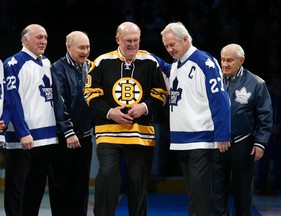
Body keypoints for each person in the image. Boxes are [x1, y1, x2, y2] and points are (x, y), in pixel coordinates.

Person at [84, 21, 168, 216]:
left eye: (136, 40)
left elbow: (161, 93)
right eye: (128, 40)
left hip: (141, 134)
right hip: (108, 133)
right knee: (107, 177)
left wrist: (145, 107)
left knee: (138, 185)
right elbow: (91, 94)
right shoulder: (102, 61)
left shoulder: (150, 61)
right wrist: (110, 112)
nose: (132, 44)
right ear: (117, 39)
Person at [152, 21, 231, 216]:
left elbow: (220, 99)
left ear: (185, 39)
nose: (170, 49)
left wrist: (222, 133)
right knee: (195, 194)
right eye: (166, 46)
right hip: (182, 141)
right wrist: (145, 54)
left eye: (173, 44)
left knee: (201, 197)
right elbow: (166, 68)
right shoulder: (178, 65)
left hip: (202, 141)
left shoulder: (204, 61)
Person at [3, 24, 58, 216]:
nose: (44, 41)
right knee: (17, 189)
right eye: (39, 37)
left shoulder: (47, 62)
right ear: (25, 39)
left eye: (45, 37)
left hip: (47, 138)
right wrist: (22, 132)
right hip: (24, 140)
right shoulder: (14, 63)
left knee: (35, 190)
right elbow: (11, 99)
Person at [213, 43, 273, 216]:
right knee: (217, 191)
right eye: (222, 60)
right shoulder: (214, 80)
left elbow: (265, 115)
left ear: (241, 60)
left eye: (229, 60)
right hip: (217, 143)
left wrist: (260, 143)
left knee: (243, 193)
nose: (225, 64)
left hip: (243, 144)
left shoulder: (256, 83)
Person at [48, 31, 95, 216]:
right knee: (61, 186)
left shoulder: (90, 67)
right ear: (69, 47)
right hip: (64, 139)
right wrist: (68, 131)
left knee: (81, 186)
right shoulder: (57, 68)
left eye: (88, 47)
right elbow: (58, 102)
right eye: (81, 47)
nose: (86, 51)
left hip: (84, 137)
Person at [255, 76, 281, 195]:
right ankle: (259, 187)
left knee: (280, 164)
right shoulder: (266, 98)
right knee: (263, 162)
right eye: (274, 84)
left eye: (279, 84)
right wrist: (269, 127)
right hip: (266, 136)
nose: (276, 87)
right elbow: (259, 116)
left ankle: (279, 188)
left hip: (280, 137)